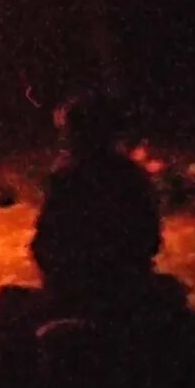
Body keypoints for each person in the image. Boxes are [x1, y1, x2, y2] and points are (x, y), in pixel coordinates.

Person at [29, 92, 161, 317]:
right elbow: (151, 241)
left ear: (74, 135)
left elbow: (45, 245)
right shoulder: (132, 177)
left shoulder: (67, 180)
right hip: (129, 292)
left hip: (76, 295)